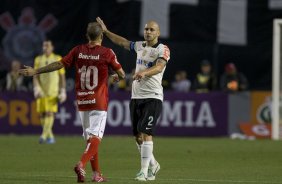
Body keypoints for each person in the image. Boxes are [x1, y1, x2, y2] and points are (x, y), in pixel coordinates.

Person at [19, 22, 125, 183]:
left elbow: (59, 64)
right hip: (98, 101)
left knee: (90, 140)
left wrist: (36, 71)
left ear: (87, 36)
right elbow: (122, 73)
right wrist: (118, 77)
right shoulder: (107, 53)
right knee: (96, 138)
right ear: (101, 36)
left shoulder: (78, 50)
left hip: (83, 101)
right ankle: (81, 164)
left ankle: (97, 174)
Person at [97, 17, 170, 181]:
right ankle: (153, 164)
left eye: (151, 29)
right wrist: (106, 31)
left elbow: (159, 67)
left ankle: (144, 171)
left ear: (158, 33)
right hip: (136, 96)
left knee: (146, 132)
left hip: (153, 97)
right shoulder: (139, 46)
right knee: (137, 136)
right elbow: (122, 42)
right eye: (146, 29)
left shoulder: (162, 49)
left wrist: (145, 72)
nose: (148, 32)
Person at [33, 40, 67, 144]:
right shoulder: (38, 59)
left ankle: (43, 135)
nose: (46, 47)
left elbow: (62, 76)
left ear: (52, 47)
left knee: (49, 113)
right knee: (43, 114)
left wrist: (63, 90)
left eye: (48, 46)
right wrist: (36, 87)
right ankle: (50, 136)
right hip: (42, 90)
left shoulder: (57, 58)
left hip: (53, 91)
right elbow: (35, 75)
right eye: (44, 46)